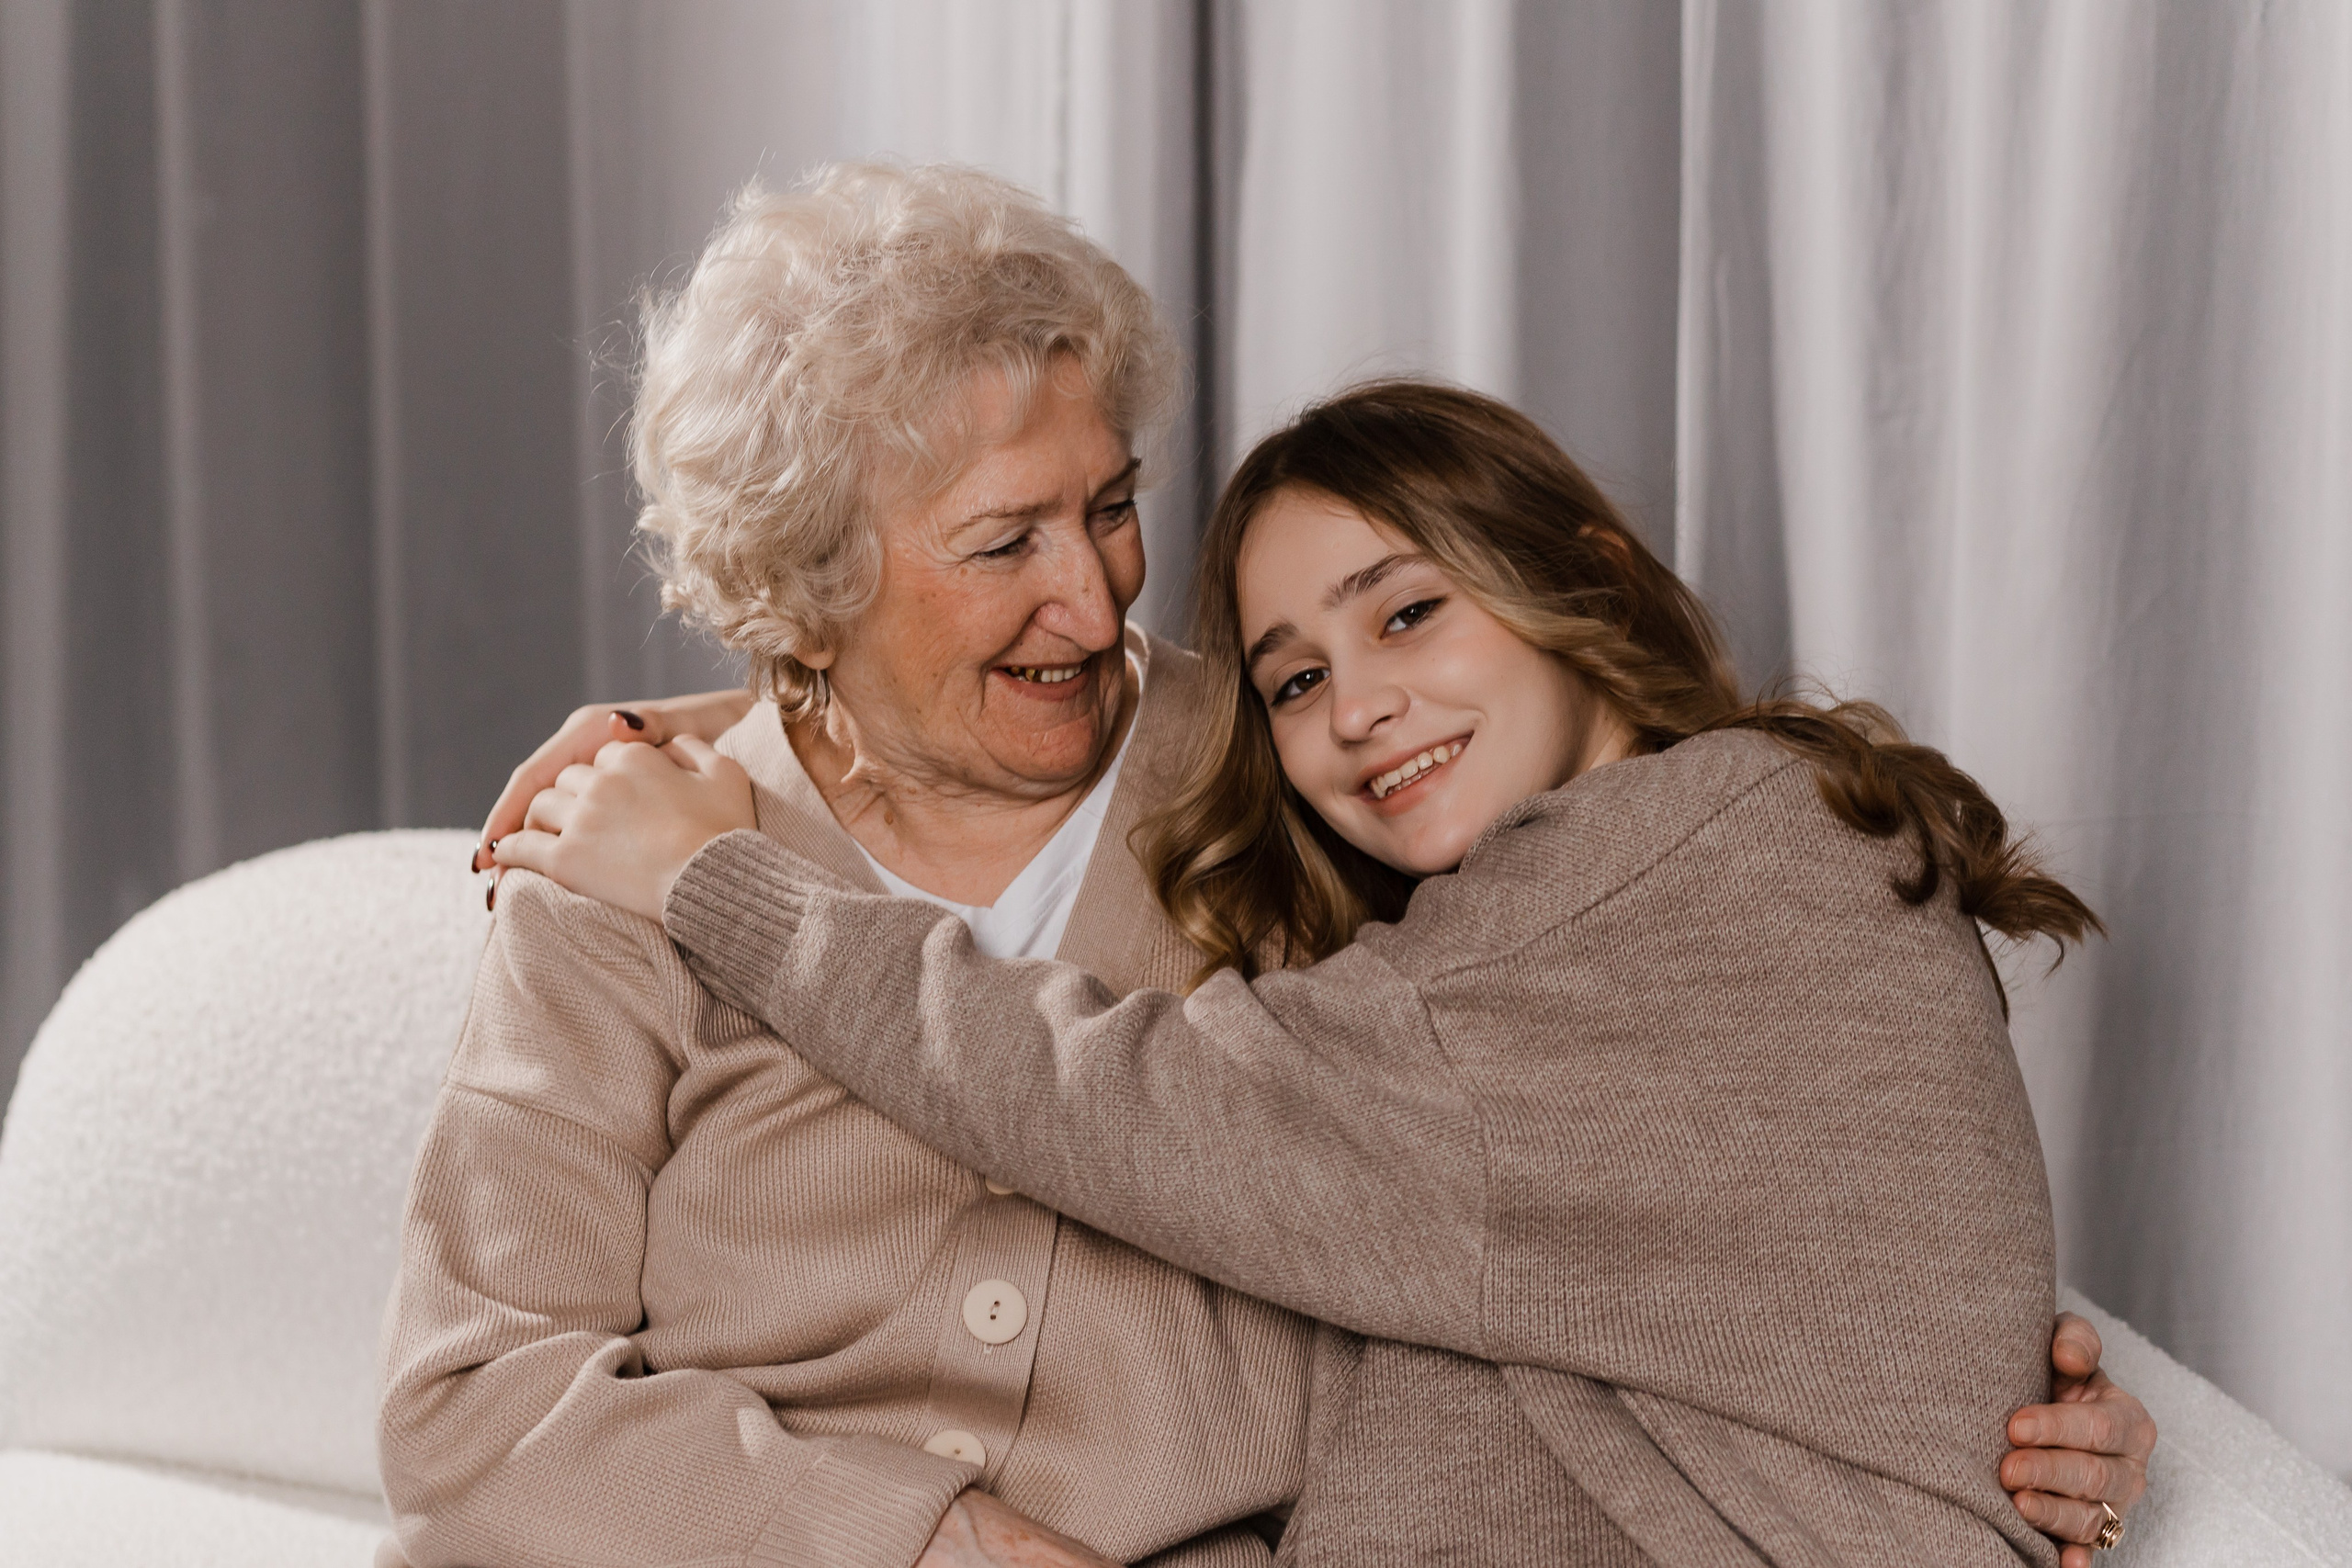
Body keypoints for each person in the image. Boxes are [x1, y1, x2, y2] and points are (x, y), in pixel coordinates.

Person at [437, 165, 2150, 1565]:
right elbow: (468, 1406)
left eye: (1109, 508)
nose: (1099, 602)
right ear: (809, 590)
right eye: (1002, 542)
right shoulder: (621, 861)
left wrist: (2009, 1404)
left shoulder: (1290, 787)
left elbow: (1732, 1144)